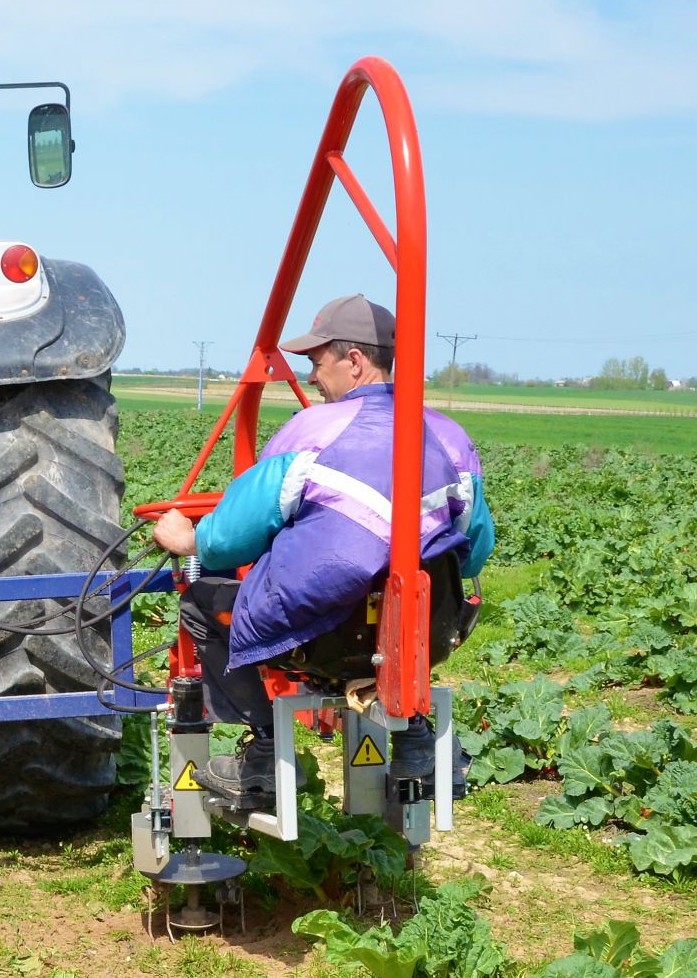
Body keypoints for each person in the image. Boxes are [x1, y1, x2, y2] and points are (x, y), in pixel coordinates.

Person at [150, 294, 495, 805]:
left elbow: (231, 538)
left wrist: (189, 539)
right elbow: (475, 549)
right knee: (392, 601)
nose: (312, 377)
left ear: (353, 361)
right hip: (418, 630)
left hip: (319, 637)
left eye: (316, 362)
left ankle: (263, 754)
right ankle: (416, 737)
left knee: (202, 604)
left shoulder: (310, 432)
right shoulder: (449, 437)